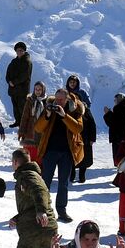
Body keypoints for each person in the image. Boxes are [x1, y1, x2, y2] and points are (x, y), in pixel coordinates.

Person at [34, 88, 84, 223]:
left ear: (67, 99)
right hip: (50, 151)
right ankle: (42, 209)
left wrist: (64, 116)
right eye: (57, 99)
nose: (58, 102)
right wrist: (48, 115)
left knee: (63, 184)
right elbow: (38, 128)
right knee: (45, 182)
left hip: (66, 153)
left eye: (61, 100)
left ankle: (61, 211)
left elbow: (78, 128)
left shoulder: (75, 110)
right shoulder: (49, 108)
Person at [65, 75, 97, 184]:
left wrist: (92, 138)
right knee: (71, 154)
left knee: (85, 156)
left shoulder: (85, 110)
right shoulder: (67, 106)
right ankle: (72, 173)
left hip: (85, 136)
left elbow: (92, 123)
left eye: (74, 82)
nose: (72, 84)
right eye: (71, 82)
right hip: (72, 136)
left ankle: (82, 174)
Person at [19, 82, 49, 160]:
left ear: (43, 90)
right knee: (29, 155)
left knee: (40, 156)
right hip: (30, 132)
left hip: (42, 131)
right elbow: (24, 117)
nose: (38, 91)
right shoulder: (30, 101)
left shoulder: (47, 102)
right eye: (36, 89)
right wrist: (21, 131)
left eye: (39, 89)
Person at [4, 42, 32, 127]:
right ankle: (18, 121)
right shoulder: (14, 61)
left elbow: (25, 75)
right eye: (17, 50)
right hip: (13, 90)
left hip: (22, 90)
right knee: (15, 107)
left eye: (21, 50)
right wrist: (9, 81)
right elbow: (7, 73)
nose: (19, 52)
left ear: (24, 51)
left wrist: (14, 82)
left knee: (22, 108)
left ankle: (24, 124)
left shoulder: (27, 61)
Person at [103, 93, 125, 164]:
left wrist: (108, 113)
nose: (115, 100)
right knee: (120, 153)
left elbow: (115, 123)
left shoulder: (122, 108)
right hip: (121, 135)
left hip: (120, 136)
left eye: (117, 98)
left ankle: (121, 166)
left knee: (119, 154)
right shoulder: (124, 107)